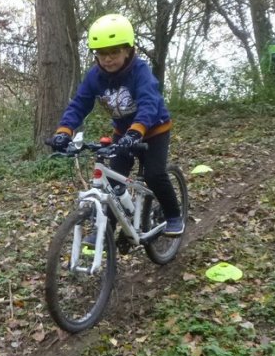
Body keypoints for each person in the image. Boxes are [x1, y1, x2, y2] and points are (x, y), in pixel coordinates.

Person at [49, 13, 184, 237]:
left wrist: (137, 131)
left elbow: (149, 103)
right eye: (102, 53)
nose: (108, 59)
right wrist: (64, 131)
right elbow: (80, 104)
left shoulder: (140, 72)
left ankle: (173, 215)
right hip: (123, 132)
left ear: (128, 50)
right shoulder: (94, 77)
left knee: (154, 174)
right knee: (111, 180)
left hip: (153, 130)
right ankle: (106, 230)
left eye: (114, 52)